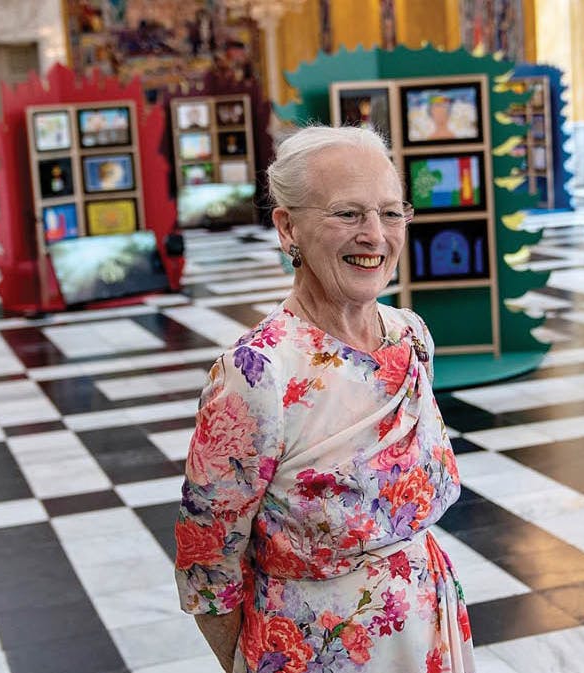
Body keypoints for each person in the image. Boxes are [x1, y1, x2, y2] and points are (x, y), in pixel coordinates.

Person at [175, 125, 474, 673]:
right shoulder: (257, 373)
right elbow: (207, 561)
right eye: (348, 214)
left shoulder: (411, 336)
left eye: (390, 212)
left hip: (429, 627)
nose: (375, 235)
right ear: (288, 227)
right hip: (314, 652)